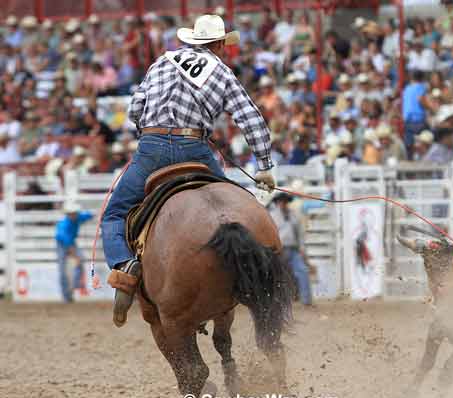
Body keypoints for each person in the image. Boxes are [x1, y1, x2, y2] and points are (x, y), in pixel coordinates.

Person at [102, 15, 276, 327]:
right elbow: (251, 118)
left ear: (193, 39)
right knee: (236, 207)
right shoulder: (222, 71)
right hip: (195, 148)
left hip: (151, 148)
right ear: (220, 44)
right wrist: (264, 166)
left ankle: (125, 266)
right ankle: (260, 273)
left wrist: (153, 131)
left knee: (114, 214)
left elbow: (135, 109)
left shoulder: (162, 61)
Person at [269, 192, 313, 307]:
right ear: (277, 203)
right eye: (281, 201)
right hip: (278, 250)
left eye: (285, 201)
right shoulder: (272, 216)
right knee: (276, 276)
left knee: (302, 271)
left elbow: (299, 234)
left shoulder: (293, 216)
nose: (283, 203)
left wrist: (302, 249)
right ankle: (277, 302)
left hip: (293, 249)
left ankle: (306, 300)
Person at [56, 203, 93, 303]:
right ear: (68, 214)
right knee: (63, 270)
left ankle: (75, 285)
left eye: (74, 213)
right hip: (63, 245)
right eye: (71, 213)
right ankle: (66, 295)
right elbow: (67, 243)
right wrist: (75, 256)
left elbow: (88, 215)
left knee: (80, 261)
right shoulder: (64, 226)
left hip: (71, 242)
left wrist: (93, 215)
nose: (73, 215)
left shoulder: (78, 218)